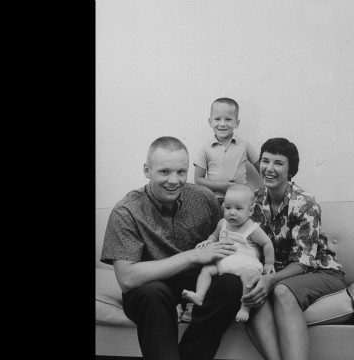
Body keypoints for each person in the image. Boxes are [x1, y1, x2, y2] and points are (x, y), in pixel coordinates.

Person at [100, 136, 244, 360]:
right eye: (164, 172)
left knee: (231, 284)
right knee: (153, 293)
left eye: (181, 172)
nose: (174, 181)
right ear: (147, 170)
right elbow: (127, 278)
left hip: (196, 283)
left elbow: (224, 237)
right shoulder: (126, 211)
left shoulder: (203, 198)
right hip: (150, 290)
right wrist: (193, 256)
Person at [242, 138, 347, 360]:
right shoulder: (254, 201)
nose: (269, 168)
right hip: (279, 273)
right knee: (254, 291)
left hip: (320, 270)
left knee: (280, 289)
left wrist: (270, 280)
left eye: (278, 163)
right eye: (265, 161)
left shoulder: (305, 203)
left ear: (291, 170)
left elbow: (304, 261)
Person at [182, 184, 276, 323]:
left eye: (238, 209)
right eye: (228, 208)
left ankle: (245, 308)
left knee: (249, 279)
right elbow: (214, 235)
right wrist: (208, 242)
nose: (232, 212)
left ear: (250, 211)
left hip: (246, 266)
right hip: (223, 263)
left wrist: (269, 263)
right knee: (206, 270)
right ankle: (199, 296)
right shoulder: (222, 223)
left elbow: (267, 243)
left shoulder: (252, 228)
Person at [194, 97, 261, 207]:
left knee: (240, 224)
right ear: (210, 122)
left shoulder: (245, 145)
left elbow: (262, 169)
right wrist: (221, 185)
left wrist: (264, 191)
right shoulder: (205, 148)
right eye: (217, 119)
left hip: (241, 199)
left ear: (237, 123)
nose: (222, 124)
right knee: (218, 224)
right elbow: (198, 180)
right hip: (214, 200)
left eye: (228, 119)